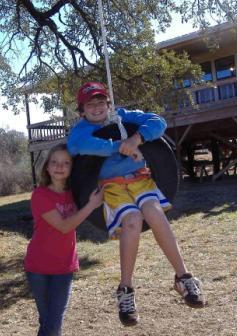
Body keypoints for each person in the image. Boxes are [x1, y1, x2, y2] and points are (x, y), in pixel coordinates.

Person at [67, 82, 205, 326]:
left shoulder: (123, 117)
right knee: (132, 222)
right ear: (82, 110)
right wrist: (116, 146)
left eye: (101, 102)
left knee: (154, 213)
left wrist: (137, 138)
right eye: (91, 104)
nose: (97, 107)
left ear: (109, 104)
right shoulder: (82, 130)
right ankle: (126, 289)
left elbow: (158, 122)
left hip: (141, 180)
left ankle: (183, 277)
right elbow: (77, 145)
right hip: (112, 187)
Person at [24, 143, 103, 336]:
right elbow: (64, 226)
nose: (60, 166)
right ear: (47, 167)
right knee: (48, 322)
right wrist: (91, 205)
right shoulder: (40, 195)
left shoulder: (75, 194)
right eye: (55, 162)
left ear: (71, 167)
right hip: (37, 268)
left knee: (53, 324)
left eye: (65, 163)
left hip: (63, 267)